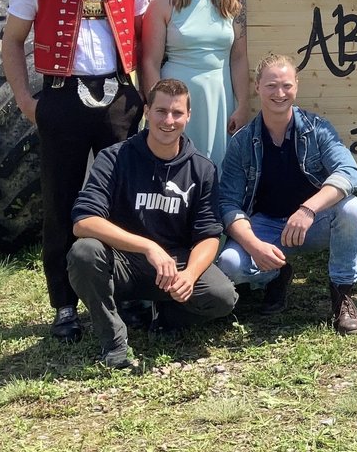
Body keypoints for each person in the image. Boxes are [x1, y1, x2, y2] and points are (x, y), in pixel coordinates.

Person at [1, 0, 151, 343]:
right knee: (61, 200)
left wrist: (144, 96)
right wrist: (28, 102)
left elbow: (145, 42)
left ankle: (129, 294)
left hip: (119, 98)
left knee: (125, 198)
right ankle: (64, 303)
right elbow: (11, 42)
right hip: (62, 98)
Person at [67, 79, 237, 370]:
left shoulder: (202, 168)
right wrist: (147, 246)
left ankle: (165, 316)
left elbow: (209, 235)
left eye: (176, 113)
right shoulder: (115, 157)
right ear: (146, 112)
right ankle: (114, 343)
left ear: (188, 116)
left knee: (222, 298)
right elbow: (84, 221)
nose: (168, 121)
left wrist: (191, 275)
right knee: (84, 253)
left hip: (175, 264)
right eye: (160, 111)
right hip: (122, 260)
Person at [216, 53, 357, 334]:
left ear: (296, 86)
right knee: (229, 264)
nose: (279, 93)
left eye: (286, 85)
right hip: (266, 226)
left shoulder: (317, 129)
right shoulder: (242, 142)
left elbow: (350, 172)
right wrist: (253, 245)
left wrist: (308, 209)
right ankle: (275, 274)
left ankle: (342, 295)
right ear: (257, 87)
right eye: (271, 85)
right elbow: (227, 202)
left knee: (351, 209)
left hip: (313, 223)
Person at [140, 0, 252, 168]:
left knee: (218, 167)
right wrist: (155, 107)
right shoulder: (162, 3)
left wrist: (243, 103)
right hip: (176, 98)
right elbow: (150, 61)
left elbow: (239, 57)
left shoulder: (236, 3)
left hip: (220, 96)